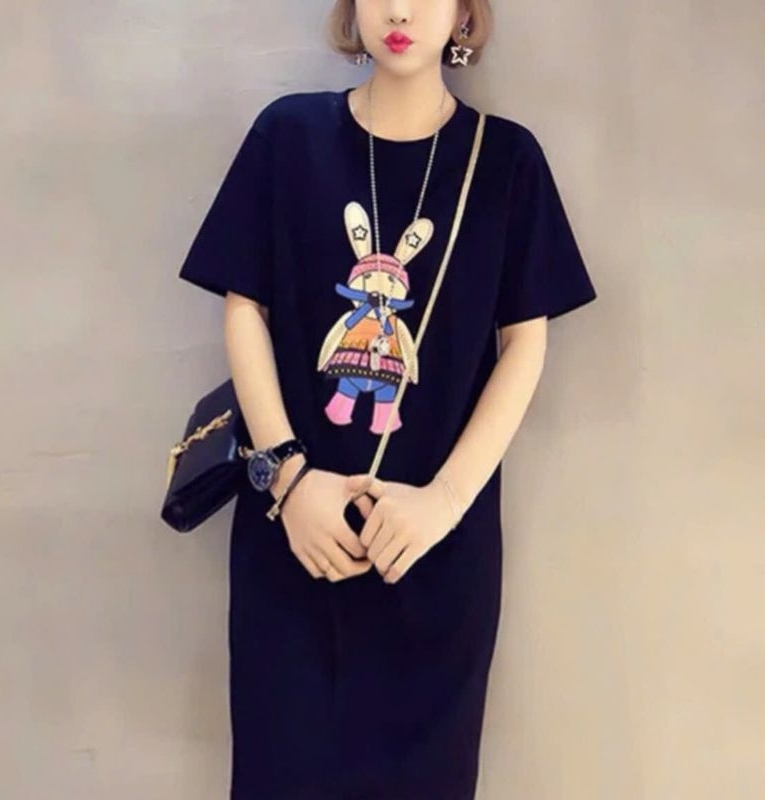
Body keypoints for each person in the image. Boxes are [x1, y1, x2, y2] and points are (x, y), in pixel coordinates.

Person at [177, 1, 597, 797]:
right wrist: (289, 479)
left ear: (465, 12)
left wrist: (445, 501)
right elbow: (243, 307)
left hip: (433, 555)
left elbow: (525, 343)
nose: (399, 10)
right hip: (293, 542)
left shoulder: (505, 161)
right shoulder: (288, 138)